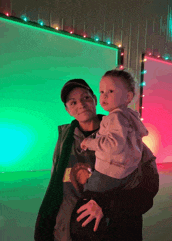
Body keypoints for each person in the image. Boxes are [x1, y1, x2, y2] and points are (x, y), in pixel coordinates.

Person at [34, 71, 159, 241]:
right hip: (68, 234)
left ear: (94, 100)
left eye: (86, 98)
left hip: (113, 231)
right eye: (73, 102)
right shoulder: (64, 142)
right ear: (67, 109)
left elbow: (148, 189)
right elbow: (57, 190)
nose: (81, 105)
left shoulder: (124, 134)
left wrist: (107, 205)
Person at [80, 70, 148, 196]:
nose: (104, 96)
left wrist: (89, 143)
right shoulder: (130, 115)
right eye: (102, 92)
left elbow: (114, 145)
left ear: (128, 97)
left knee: (87, 194)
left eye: (110, 91)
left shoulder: (114, 117)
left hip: (108, 172)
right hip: (127, 171)